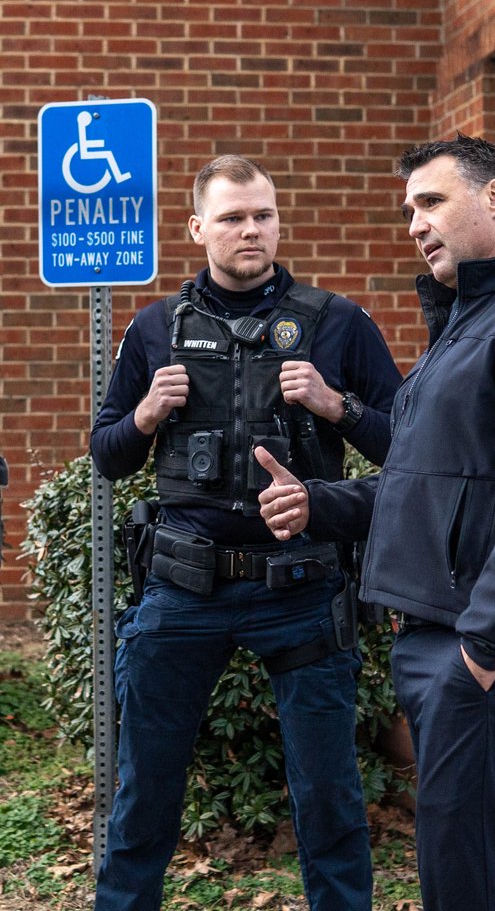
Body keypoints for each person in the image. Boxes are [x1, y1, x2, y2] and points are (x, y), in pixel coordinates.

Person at [257, 134, 495, 911]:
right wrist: (319, 502)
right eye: (409, 210)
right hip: (444, 645)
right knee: (471, 881)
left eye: (431, 202)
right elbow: (428, 485)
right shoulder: (465, 327)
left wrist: (483, 654)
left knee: (487, 886)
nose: (415, 224)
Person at [90, 154, 401, 911]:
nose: (250, 230)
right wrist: (146, 416)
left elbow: (412, 449)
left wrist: (338, 408)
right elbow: (105, 453)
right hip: (182, 588)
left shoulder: (338, 323)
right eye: (232, 217)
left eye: (262, 214)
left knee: (328, 797)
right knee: (145, 794)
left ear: (278, 221)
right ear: (198, 229)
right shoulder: (155, 328)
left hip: (300, 587)